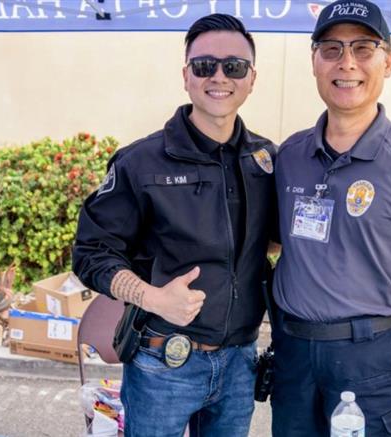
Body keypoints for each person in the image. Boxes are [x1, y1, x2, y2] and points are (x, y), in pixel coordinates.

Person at [270, 1, 391, 436]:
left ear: (388, 62)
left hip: (374, 362)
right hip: (294, 358)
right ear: (314, 62)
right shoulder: (290, 156)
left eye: (363, 48)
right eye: (332, 49)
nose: (347, 63)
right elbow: (274, 242)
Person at [72, 14, 277, 437]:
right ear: (186, 76)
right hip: (162, 363)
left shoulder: (266, 160)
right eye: (204, 66)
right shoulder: (140, 162)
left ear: (252, 79)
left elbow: (274, 240)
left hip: (240, 362)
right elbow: (91, 253)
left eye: (234, 66)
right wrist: (152, 297)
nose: (218, 76)